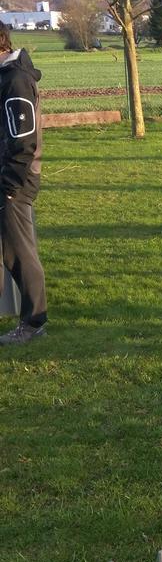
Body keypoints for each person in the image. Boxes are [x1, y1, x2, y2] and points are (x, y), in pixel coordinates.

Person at [0, 22, 47, 346]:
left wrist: (9, 185)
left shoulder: (16, 80)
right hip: (7, 177)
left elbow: (23, 142)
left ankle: (33, 321)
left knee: (19, 253)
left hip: (15, 180)